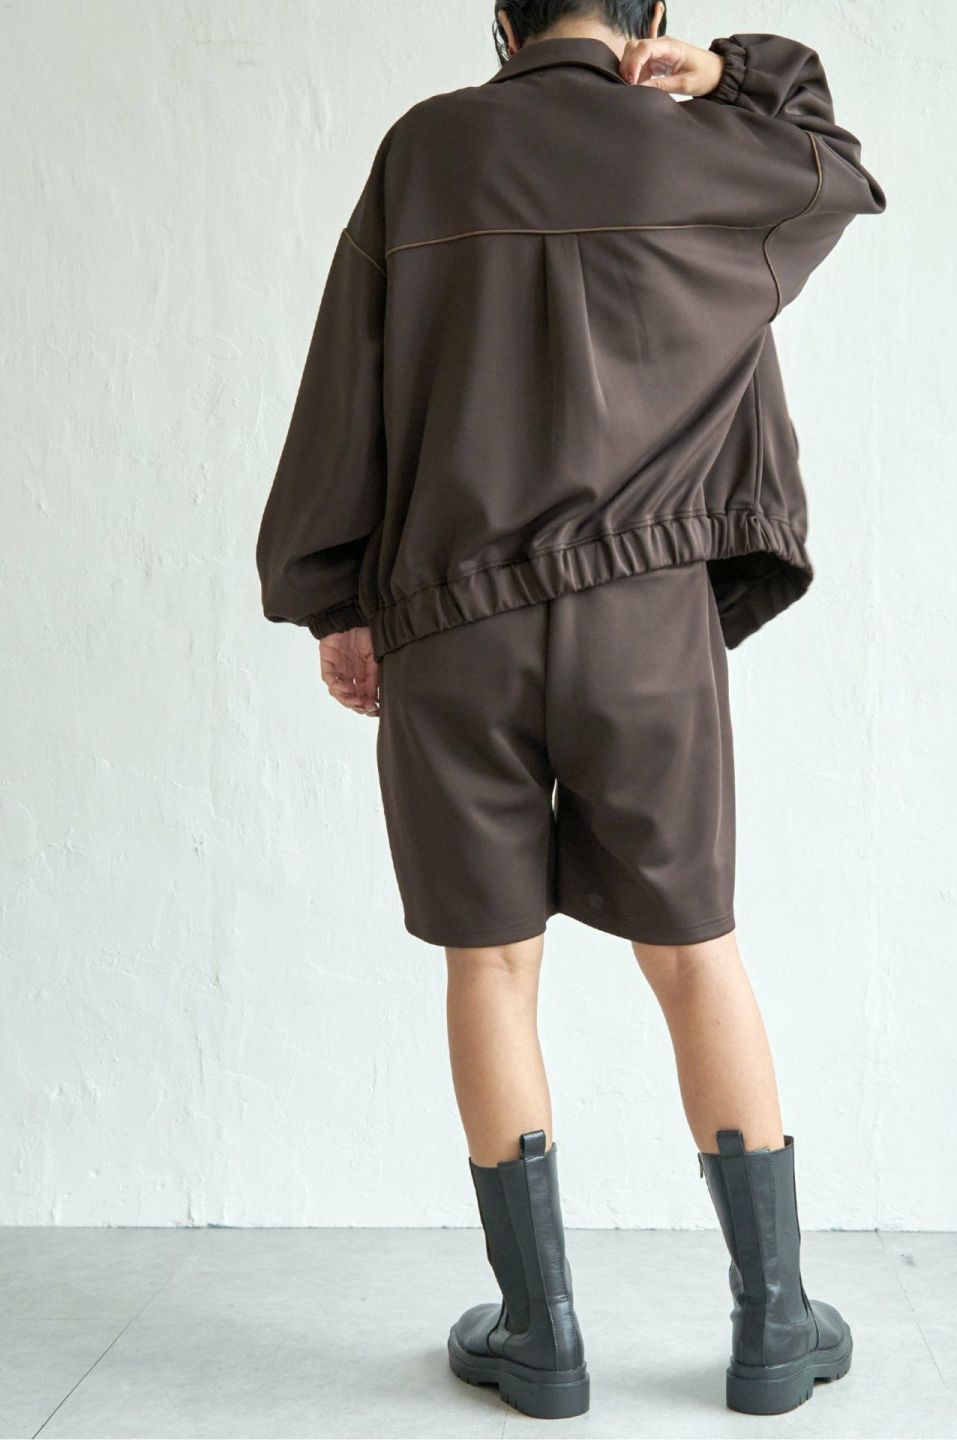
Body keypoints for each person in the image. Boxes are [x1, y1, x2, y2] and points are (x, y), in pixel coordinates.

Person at [256, 0, 884, 1420]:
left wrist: (333, 598)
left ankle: (540, 1339)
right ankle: (775, 1326)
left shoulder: (425, 151)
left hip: (453, 625)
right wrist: (732, 74)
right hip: (644, 627)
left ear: (501, 18)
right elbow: (837, 164)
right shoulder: (698, 151)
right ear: (652, 17)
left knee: (490, 966)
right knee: (696, 954)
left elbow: (347, 384)